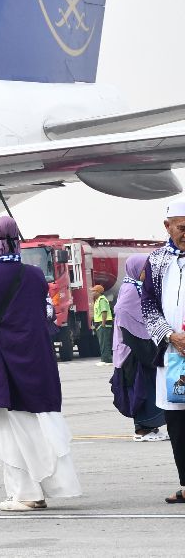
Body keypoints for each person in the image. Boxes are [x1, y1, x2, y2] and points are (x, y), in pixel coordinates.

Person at [0, 216, 80, 512]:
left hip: (3, 362)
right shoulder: (35, 275)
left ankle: (27, 493)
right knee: (39, 423)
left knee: (11, 429)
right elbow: (48, 314)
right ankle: (41, 488)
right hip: (38, 359)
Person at [141, 201, 185, 504]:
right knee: (178, 425)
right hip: (173, 355)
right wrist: (170, 336)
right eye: (182, 228)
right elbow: (148, 306)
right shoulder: (156, 261)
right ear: (167, 226)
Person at [111, 255, 165, 441]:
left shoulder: (137, 287)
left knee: (148, 387)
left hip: (140, 346)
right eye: (145, 269)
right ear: (136, 269)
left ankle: (151, 428)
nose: (147, 273)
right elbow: (124, 314)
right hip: (132, 350)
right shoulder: (130, 291)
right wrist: (143, 346)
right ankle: (143, 430)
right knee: (141, 389)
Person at [92, 285, 114, 366]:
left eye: (94, 291)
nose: (92, 293)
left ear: (98, 292)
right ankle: (104, 359)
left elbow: (104, 312)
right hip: (100, 324)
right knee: (102, 343)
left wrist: (103, 324)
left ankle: (107, 360)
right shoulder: (98, 300)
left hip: (103, 324)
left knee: (105, 342)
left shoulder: (102, 300)